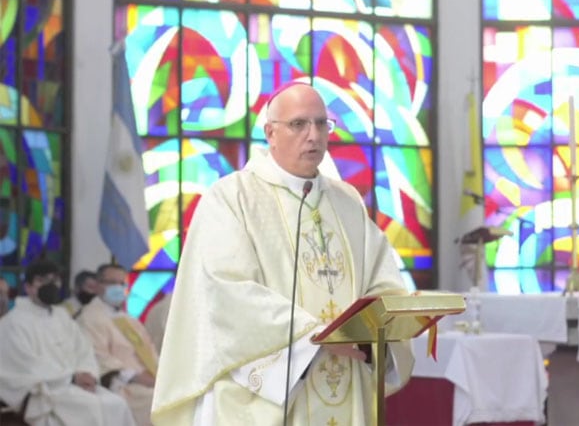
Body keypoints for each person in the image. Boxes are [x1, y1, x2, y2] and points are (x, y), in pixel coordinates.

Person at [151, 82, 414, 425]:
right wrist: (315, 336)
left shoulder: (346, 201)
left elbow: (383, 282)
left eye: (322, 124)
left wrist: (382, 329)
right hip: (265, 399)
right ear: (270, 133)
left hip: (345, 384)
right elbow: (226, 293)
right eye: (298, 124)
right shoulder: (232, 198)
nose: (314, 135)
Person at [0, 260, 136, 426]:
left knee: (117, 405)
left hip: (76, 386)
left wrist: (88, 374)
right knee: (90, 408)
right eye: (43, 280)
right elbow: (27, 366)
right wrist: (71, 378)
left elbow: (84, 351)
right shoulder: (13, 322)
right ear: (28, 287)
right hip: (45, 392)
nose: (51, 285)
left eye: (55, 280)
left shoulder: (62, 317)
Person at [77, 263, 157, 426]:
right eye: (112, 282)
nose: (118, 288)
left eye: (122, 283)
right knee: (158, 403)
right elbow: (99, 358)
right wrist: (140, 377)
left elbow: (150, 350)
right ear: (97, 285)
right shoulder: (89, 317)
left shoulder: (128, 320)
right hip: (122, 385)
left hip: (149, 381)